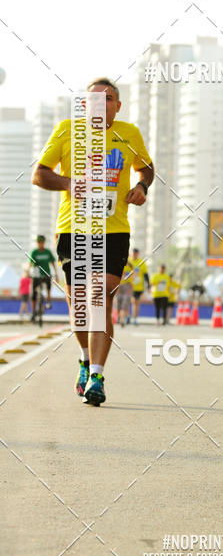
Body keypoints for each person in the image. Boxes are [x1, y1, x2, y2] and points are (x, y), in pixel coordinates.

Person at [31, 77, 154, 405]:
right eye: (94, 100)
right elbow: (40, 174)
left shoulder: (129, 134)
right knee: (81, 305)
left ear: (118, 105)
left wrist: (142, 187)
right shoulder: (67, 130)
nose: (101, 104)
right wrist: (69, 183)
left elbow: (147, 168)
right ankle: (85, 359)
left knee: (101, 297)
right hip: (73, 228)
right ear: (85, 106)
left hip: (113, 230)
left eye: (109, 98)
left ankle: (97, 376)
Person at [27, 235, 60, 321]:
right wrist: (27, 272)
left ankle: (48, 301)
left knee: (48, 286)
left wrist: (56, 275)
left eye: (41, 242)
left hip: (46, 274)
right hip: (36, 275)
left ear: (43, 242)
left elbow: (53, 263)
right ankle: (33, 312)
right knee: (33, 293)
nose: (40, 244)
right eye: (38, 242)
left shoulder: (47, 252)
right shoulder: (34, 252)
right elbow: (30, 264)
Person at [128, 248, 150, 324]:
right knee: (129, 301)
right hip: (129, 285)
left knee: (136, 302)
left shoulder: (142, 262)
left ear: (138, 254)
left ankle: (135, 318)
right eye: (133, 253)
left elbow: (146, 274)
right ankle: (127, 316)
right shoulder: (128, 261)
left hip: (139, 286)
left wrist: (148, 284)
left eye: (136, 253)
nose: (134, 255)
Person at [115, 262, 134, 326]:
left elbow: (132, 277)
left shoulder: (129, 267)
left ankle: (122, 320)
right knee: (119, 306)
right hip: (120, 286)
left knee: (124, 305)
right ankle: (121, 318)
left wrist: (131, 289)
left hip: (127, 286)